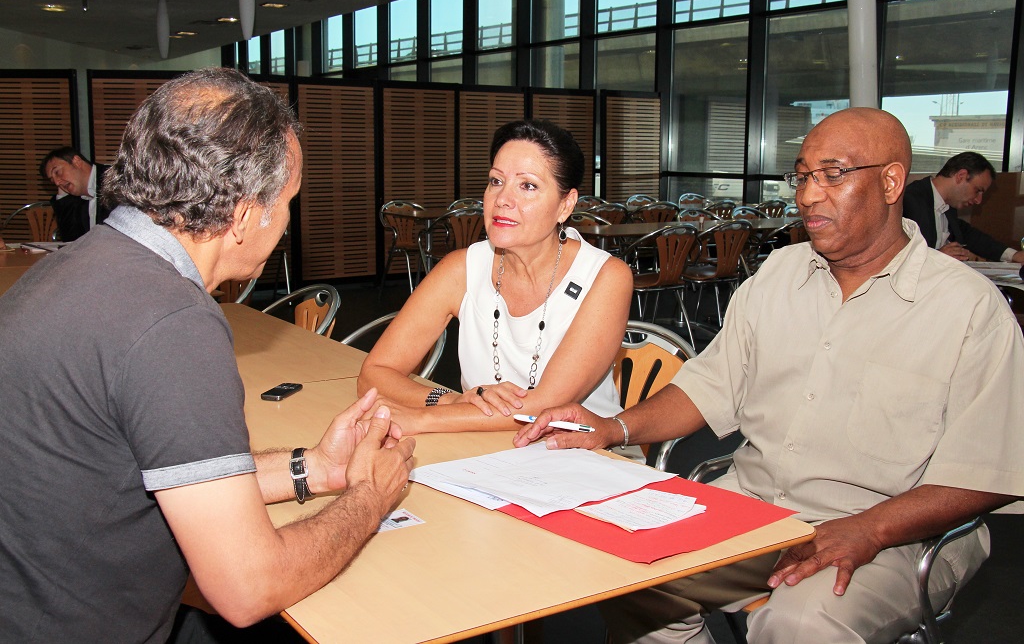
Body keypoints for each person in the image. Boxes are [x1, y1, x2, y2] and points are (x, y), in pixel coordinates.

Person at [515, 107, 1024, 644]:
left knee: (800, 624)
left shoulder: (967, 309)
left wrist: (870, 529)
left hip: (894, 532)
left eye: (832, 175)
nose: (807, 195)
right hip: (754, 509)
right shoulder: (778, 275)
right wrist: (612, 428)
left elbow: (985, 470)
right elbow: (708, 386)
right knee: (635, 579)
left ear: (892, 181)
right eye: (802, 176)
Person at [0, 68, 415, 642]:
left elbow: (156, 474)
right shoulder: (172, 324)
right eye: (288, 203)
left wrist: (315, 468)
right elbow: (248, 589)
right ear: (245, 217)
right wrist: (371, 496)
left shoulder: (72, 268)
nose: (288, 222)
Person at [359, 119, 633, 439]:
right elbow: (374, 373)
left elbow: (547, 405)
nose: (503, 198)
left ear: (565, 204)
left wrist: (422, 419)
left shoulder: (605, 277)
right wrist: (448, 399)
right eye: (496, 181)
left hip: (584, 458)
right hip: (478, 447)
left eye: (527, 185)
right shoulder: (461, 269)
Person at [903, 151, 1024, 263]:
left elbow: (972, 237)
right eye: (977, 191)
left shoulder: (948, 207)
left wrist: (1014, 255)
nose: (978, 200)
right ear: (961, 176)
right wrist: (936, 257)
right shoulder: (908, 202)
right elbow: (894, 257)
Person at [39, 146, 113, 241]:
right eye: (52, 180)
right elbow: (71, 243)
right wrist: (64, 198)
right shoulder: (76, 198)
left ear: (77, 161)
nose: (57, 183)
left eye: (57, 172)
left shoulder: (115, 181)